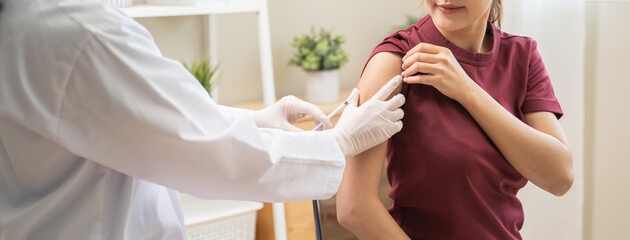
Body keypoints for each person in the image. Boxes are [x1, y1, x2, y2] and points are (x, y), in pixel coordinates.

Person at [0, 0, 406, 239]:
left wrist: (257, 121)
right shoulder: (81, 33)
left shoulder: (34, 21)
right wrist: (335, 144)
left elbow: (143, 121)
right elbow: (196, 147)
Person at [335, 0, 574, 239]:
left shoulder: (522, 55)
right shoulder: (396, 59)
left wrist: (467, 90)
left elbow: (559, 178)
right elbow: (353, 207)